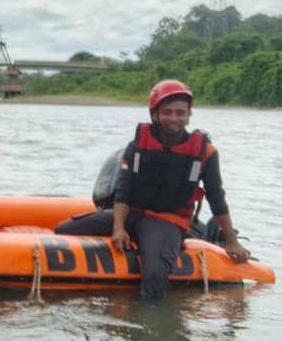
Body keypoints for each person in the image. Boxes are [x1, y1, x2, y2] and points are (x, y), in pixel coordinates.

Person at [55, 79, 250, 299]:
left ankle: (151, 321)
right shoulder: (137, 146)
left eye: (180, 113)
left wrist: (232, 241)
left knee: (155, 275)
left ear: (188, 115)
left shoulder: (206, 152)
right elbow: (123, 191)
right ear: (155, 114)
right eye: (167, 112)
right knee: (64, 229)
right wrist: (118, 228)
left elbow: (217, 198)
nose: (174, 119)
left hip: (168, 221)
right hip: (133, 215)